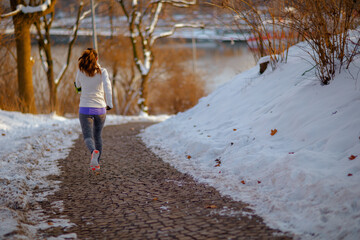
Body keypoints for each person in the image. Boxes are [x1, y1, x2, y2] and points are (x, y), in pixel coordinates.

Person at [75, 48, 113, 171]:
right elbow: (108, 88)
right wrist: (110, 104)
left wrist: (80, 87)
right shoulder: (103, 71)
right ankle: (96, 163)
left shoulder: (81, 71)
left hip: (85, 108)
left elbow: (78, 86)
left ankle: (93, 152)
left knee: (87, 136)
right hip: (100, 109)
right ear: (96, 59)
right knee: (98, 136)